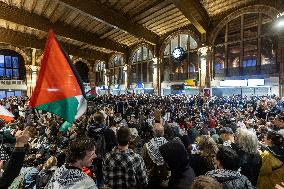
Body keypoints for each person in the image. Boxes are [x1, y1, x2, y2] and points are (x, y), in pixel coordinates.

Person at [142, 122, 168, 188]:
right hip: (164, 177)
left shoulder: (146, 146)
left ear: (153, 133)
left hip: (151, 177)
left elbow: (142, 161)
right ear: (163, 133)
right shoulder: (169, 145)